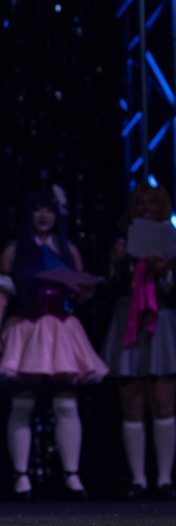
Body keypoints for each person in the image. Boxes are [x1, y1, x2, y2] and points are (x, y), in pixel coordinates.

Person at [0, 187, 108, 499]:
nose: (44, 216)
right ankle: (21, 477)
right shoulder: (16, 249)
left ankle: (72, 476)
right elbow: (2, 293)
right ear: (29, 214)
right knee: (24, 399)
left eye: (49, 210)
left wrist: (85, 288)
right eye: (38, 210)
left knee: (65, 399)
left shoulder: (68, 248)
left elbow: (81, 293)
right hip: (27, 326)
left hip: (61, 328)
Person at [100, 180, 176, 499]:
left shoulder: (171, 240)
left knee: (163, 398)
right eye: (141, 205)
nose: (146, 210)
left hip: (161, 321)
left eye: (152, 204)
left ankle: (165, 479)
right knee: (130, 398)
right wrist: (114, 264)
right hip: (127, 319)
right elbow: (102, 288)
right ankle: (138, 479)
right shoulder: (119, 243)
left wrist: (165, 272)